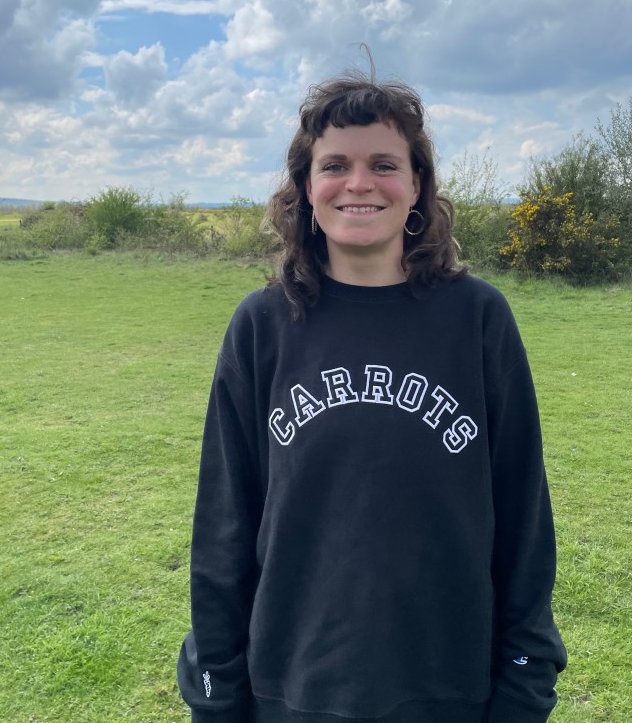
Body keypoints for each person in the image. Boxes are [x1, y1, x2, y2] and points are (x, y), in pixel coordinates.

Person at [177, 72, 566, 723]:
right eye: (335, 165)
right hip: (292, 691)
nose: (359, 183)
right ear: (308, 187)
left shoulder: (477, 321)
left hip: (449, 692)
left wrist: (524, 684)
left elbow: (524, 524)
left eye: (384, 164)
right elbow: (223, 528)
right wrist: (216, 690)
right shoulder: (263, 326)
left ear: (417, 186)